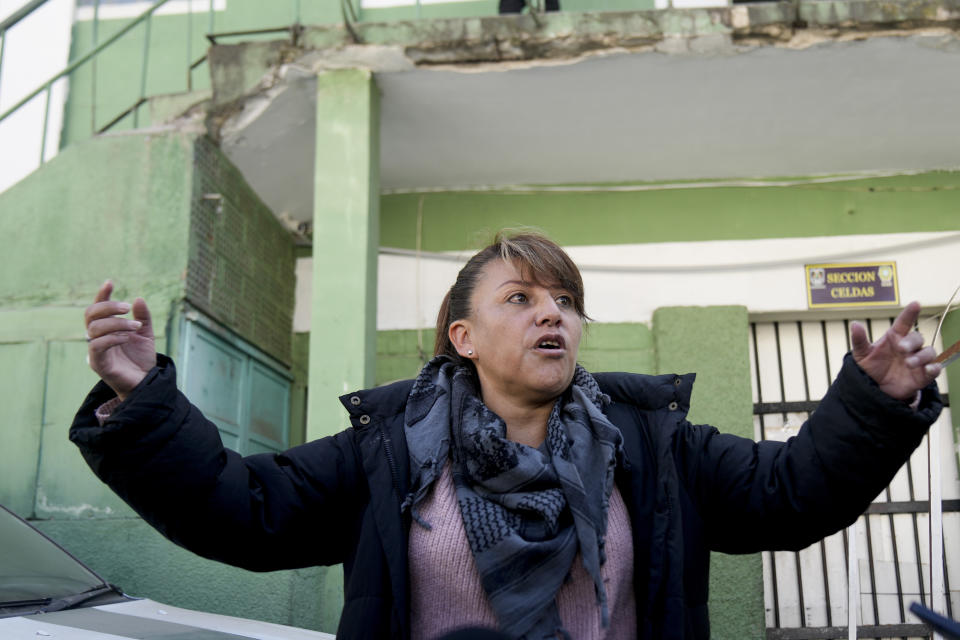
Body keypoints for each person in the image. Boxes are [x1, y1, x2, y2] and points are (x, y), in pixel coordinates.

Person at [72, 232, 943, 640]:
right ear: (464, 336)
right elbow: (243, 512)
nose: (552, 314)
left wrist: (871, 404)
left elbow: (789, 498)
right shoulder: (388, 449)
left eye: (564, 300)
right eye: (520, 299)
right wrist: (144, 396)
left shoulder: (653, 442)